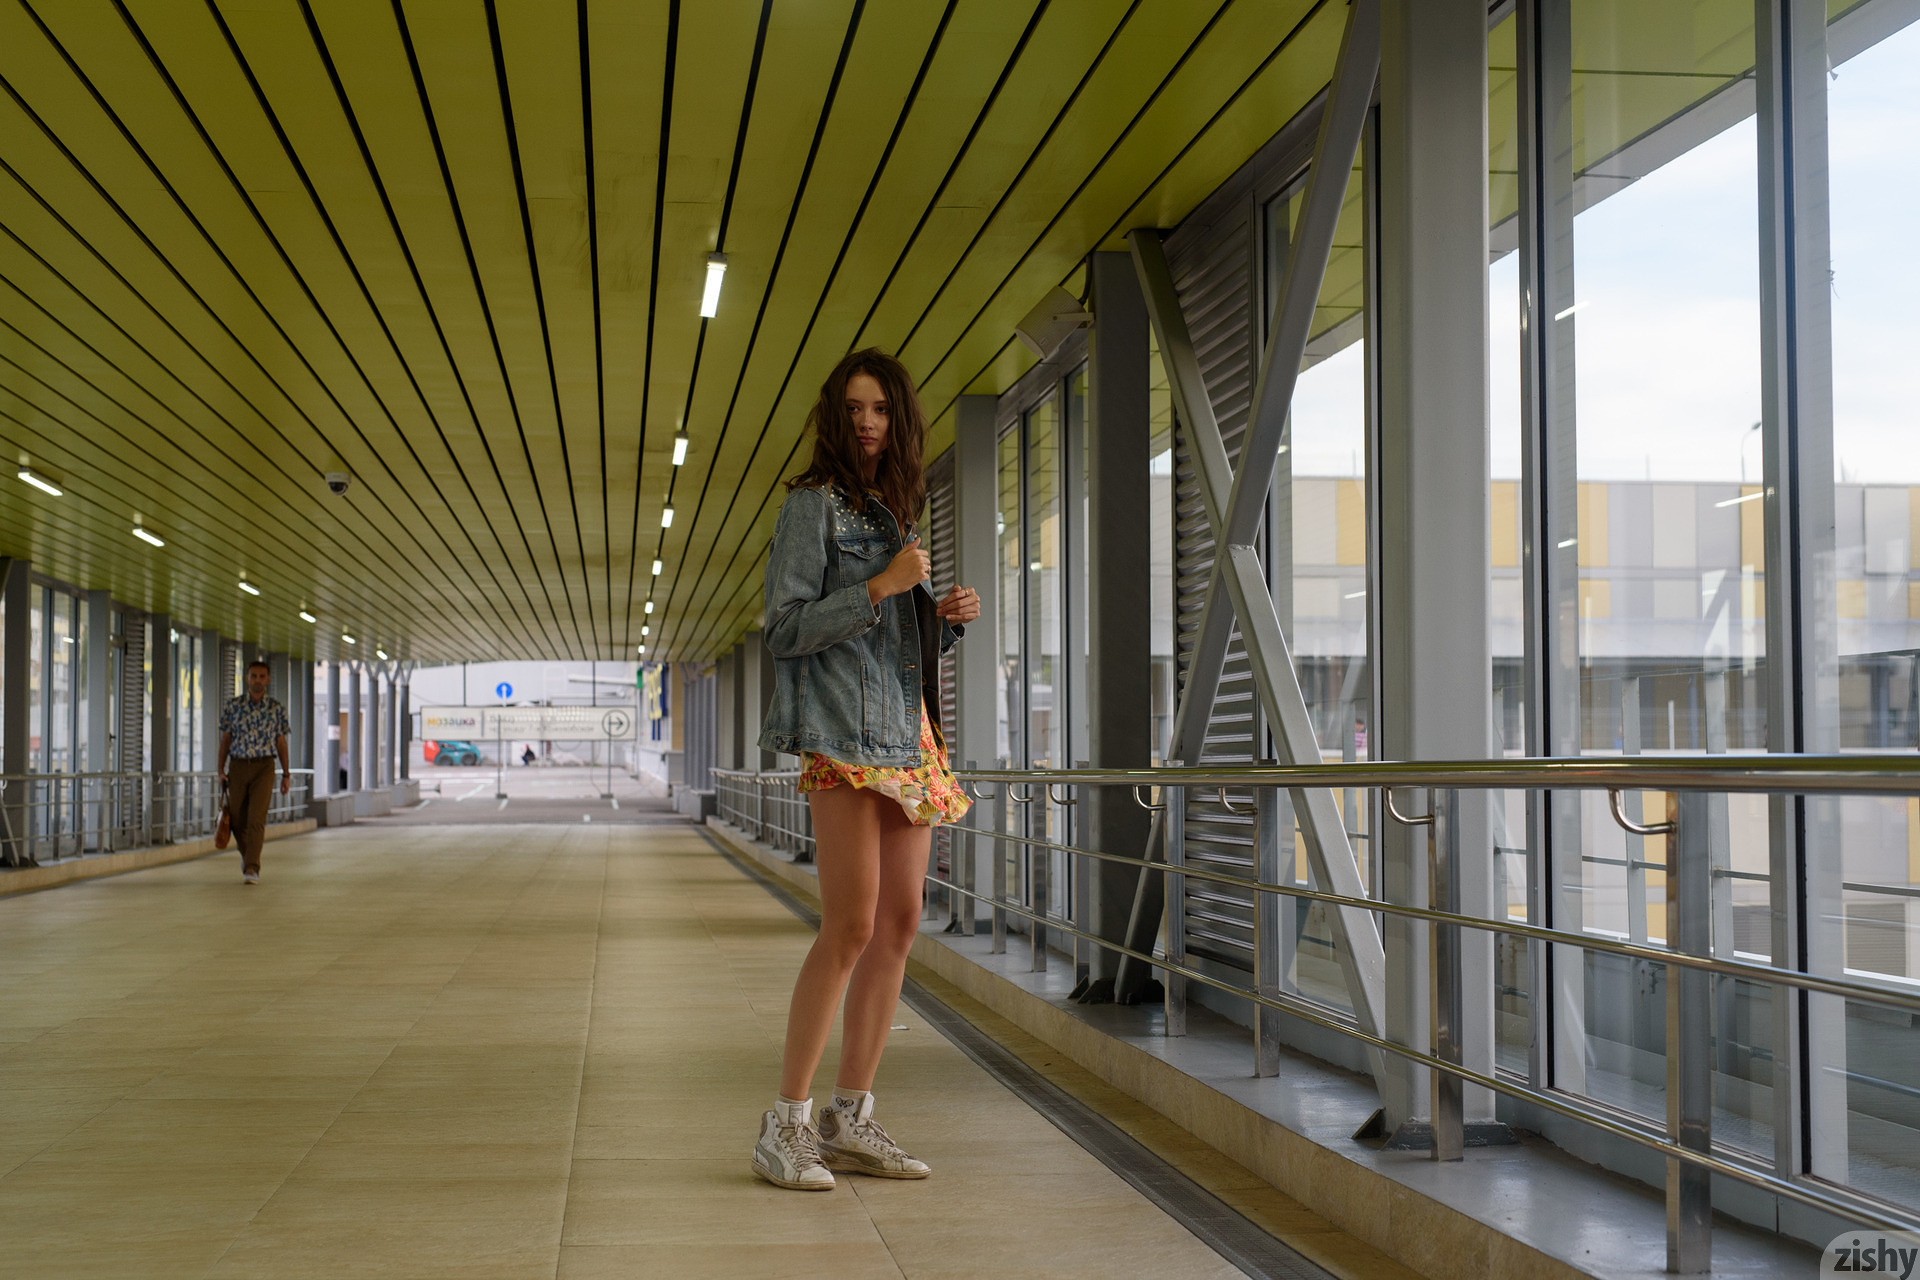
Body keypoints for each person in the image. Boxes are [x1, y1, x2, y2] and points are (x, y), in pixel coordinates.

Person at [748, 348, 981, 1192]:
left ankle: (851, 1119)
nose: (868, 422)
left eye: (880, 408)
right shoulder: (811, 505)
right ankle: (784, 1124)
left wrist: (944, 620)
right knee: (849, 925)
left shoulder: (897, 509)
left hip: (906, 735)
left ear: (901, 417)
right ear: (834, 418)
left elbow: (890, 649)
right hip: (844, 735)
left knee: (900, 923)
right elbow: (783, 628)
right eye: (853, 409)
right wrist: (881, 586)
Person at [217, 659, 291, 885]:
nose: (257, 681)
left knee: (256, 818)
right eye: (253, 676)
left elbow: (281, 743)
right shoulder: (233, 706)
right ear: (247, 678)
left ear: (267, 679)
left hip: (264, 766)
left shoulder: (276, 708)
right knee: (236, 818)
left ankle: (251, 867)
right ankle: (248, 854)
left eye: (261, 676)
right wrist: (220, 769)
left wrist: (286, 774)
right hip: (238, 765)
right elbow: (226, 740)